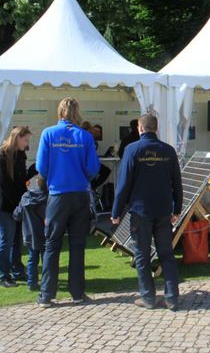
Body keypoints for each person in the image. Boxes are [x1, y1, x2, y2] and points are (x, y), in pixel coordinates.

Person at [111, 114, 183, 311]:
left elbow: (123, 183)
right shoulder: (168, 151)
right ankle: (172, 298)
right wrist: (177, 209)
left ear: (140, 129)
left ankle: (148, 298)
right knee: (166, 254)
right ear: (156, 128)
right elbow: (177, 182)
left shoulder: (132, 149)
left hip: (141, 211)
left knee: (142, 256)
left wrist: (116, 212)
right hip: (163, 210)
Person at [36, 97, 100, 308]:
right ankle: (77, 293)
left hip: (57, 195)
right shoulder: (85, 136)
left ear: (60, 111)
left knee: (52, 244)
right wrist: (81, 177)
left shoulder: (48, 133)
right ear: (76, 112)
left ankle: (46, 295)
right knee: (77, 245)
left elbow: (41, 167)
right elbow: (93, 168)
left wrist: (55, 177)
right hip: (80, 194)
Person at [0, 126, 33, 288]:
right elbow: (5, 185)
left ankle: (17, 271)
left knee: (17, 240)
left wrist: (34, 170)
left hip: (16, 204)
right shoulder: (0, 157)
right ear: (17, 138)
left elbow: (21, 181)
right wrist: (19, 203)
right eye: (26, 140)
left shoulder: (20, 155)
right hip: (4, 205)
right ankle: (4, 276)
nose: (27, 143)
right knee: (7, 239)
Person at [13, 175, 48, 292]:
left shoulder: (26, 197)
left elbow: (17, 215)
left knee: (32, 259)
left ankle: (32, 283)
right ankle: (47, 282)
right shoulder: (48, 198)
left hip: (29, 234)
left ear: (37, 182)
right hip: (44, 233)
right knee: (46, 259)